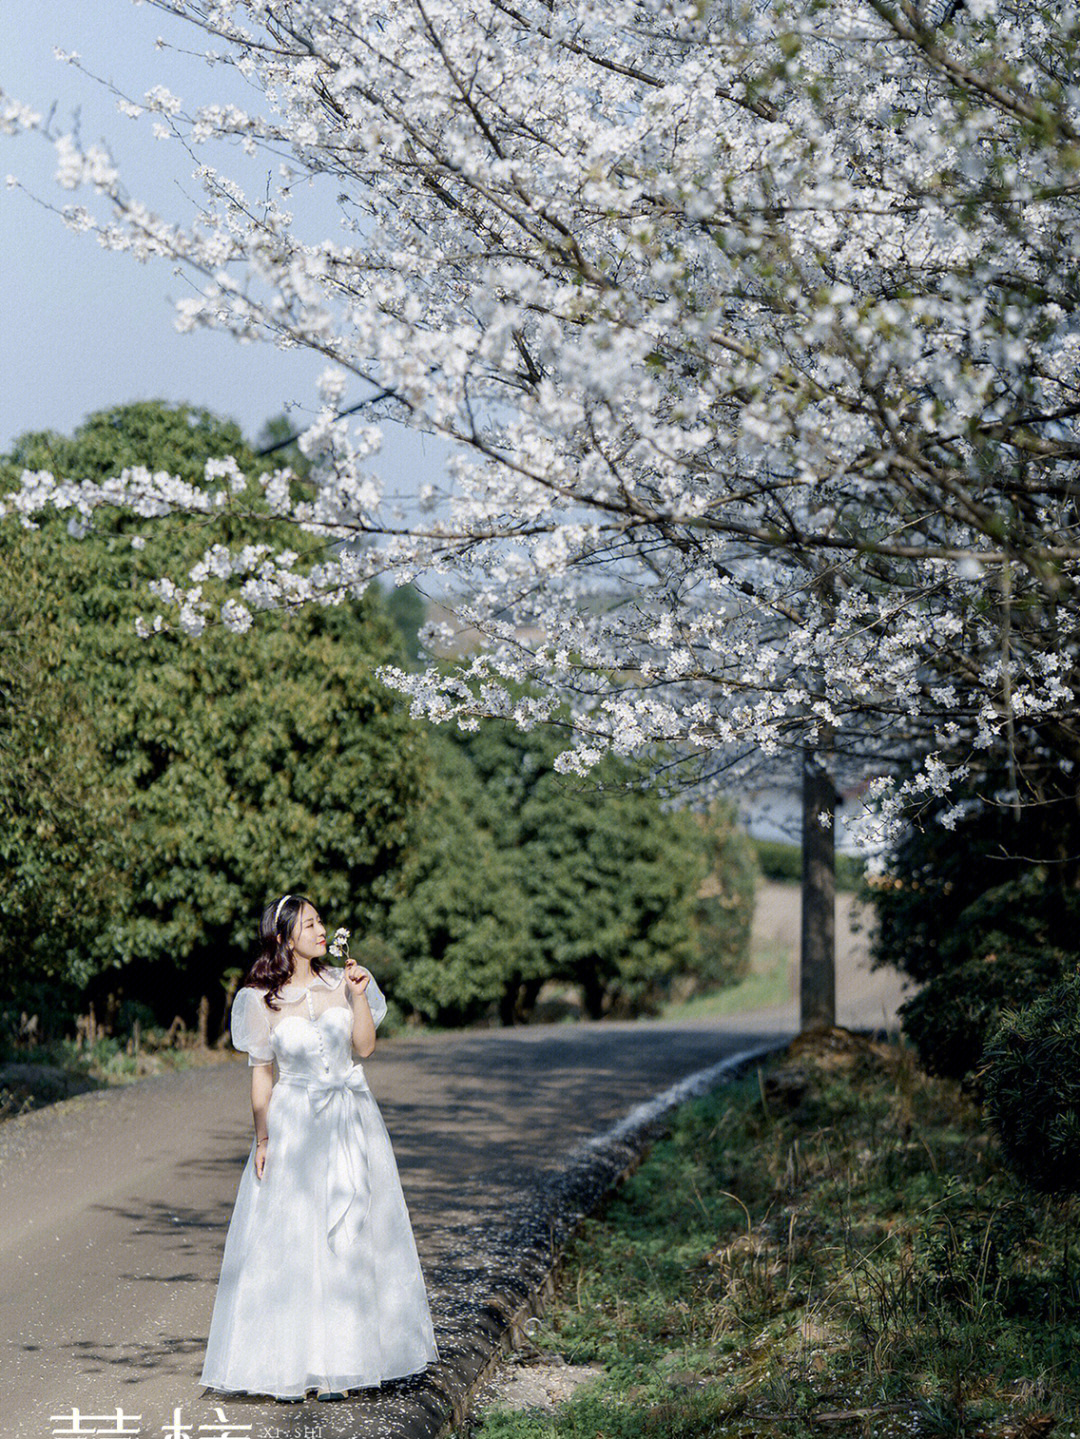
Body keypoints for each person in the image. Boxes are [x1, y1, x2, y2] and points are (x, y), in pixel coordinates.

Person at [199, 892, 441, 1402]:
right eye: (309, 924)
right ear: (285, 935)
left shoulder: (343, 981)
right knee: (294, 1238)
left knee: (352, 1233)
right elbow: (262, 1077)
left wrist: (357, 996)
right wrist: (262, 1138)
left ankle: (352, 1358)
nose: (319, 930)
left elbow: (365, 1048)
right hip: (296, 1122)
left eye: (320, 922)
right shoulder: (260, 999)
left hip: (350, 1116)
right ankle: (298, 1361)